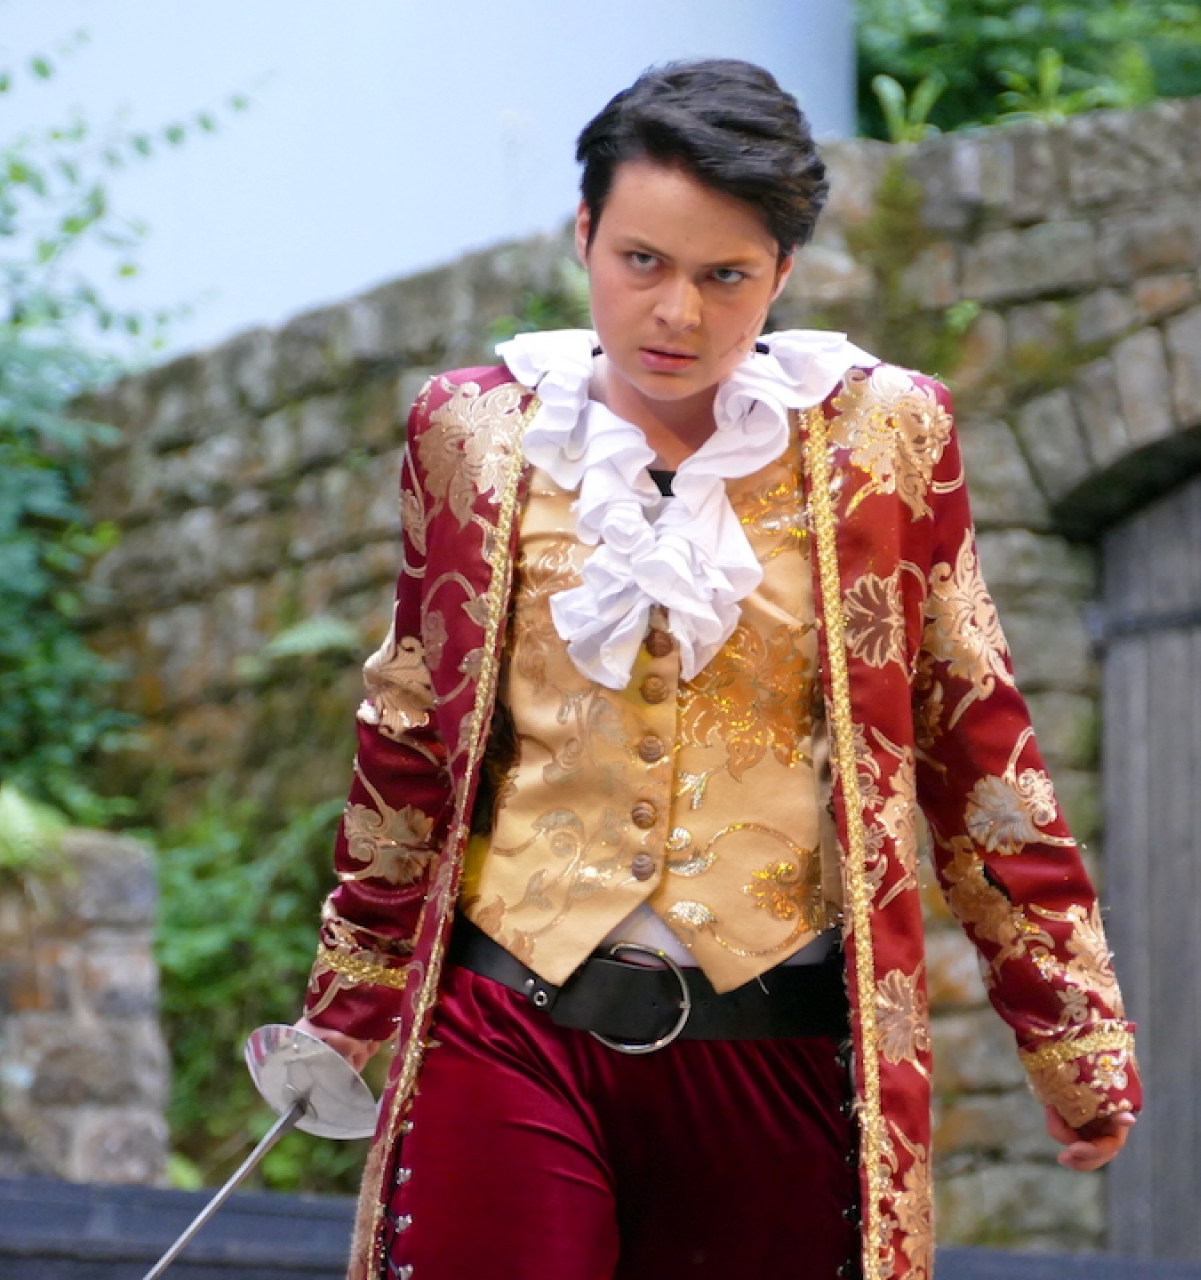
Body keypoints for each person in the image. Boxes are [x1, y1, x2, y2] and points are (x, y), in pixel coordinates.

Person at [293, 60, 1140, 1280]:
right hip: (510, 1025)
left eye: (724, 275)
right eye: (641, 261)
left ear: (783, 272)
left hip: (775, 1051)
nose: (676, 312)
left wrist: (1072, 1029)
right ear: (583, 235)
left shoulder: (884, 439)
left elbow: (973, 735)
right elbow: (411, 727)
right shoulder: (472, 432)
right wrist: (350, 1001)